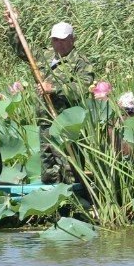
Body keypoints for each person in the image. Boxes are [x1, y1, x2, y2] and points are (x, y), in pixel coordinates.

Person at [34, 22, 94, 183]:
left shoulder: (81, 62)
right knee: (47, 163)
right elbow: (22, 51)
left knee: (68, 165)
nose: (58, 44)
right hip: (46, 118)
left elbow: (81, 88)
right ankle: (52, 202)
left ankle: (75, 199)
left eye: (62, 40)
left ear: (72, 39)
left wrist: (53, 88)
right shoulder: (45, 56)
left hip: (66, 122)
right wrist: (13, 28)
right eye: (55, 40)